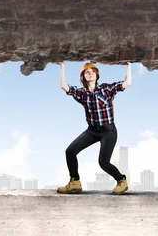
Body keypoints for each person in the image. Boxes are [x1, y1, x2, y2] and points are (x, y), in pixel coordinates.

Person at [55, 61, 131, 195]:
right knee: (70, 151)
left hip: (108, 131)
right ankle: (75, 182)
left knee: (103, 162)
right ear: (83, 77)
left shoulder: (106, 89)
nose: (90, 73)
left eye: (92, 71)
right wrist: (62, 67)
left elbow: (126, 83)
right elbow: (64, 86)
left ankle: (121, 180)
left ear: (96, 75)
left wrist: (129, 66)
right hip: (92, 131)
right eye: (86, 72)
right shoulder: (82, 94)